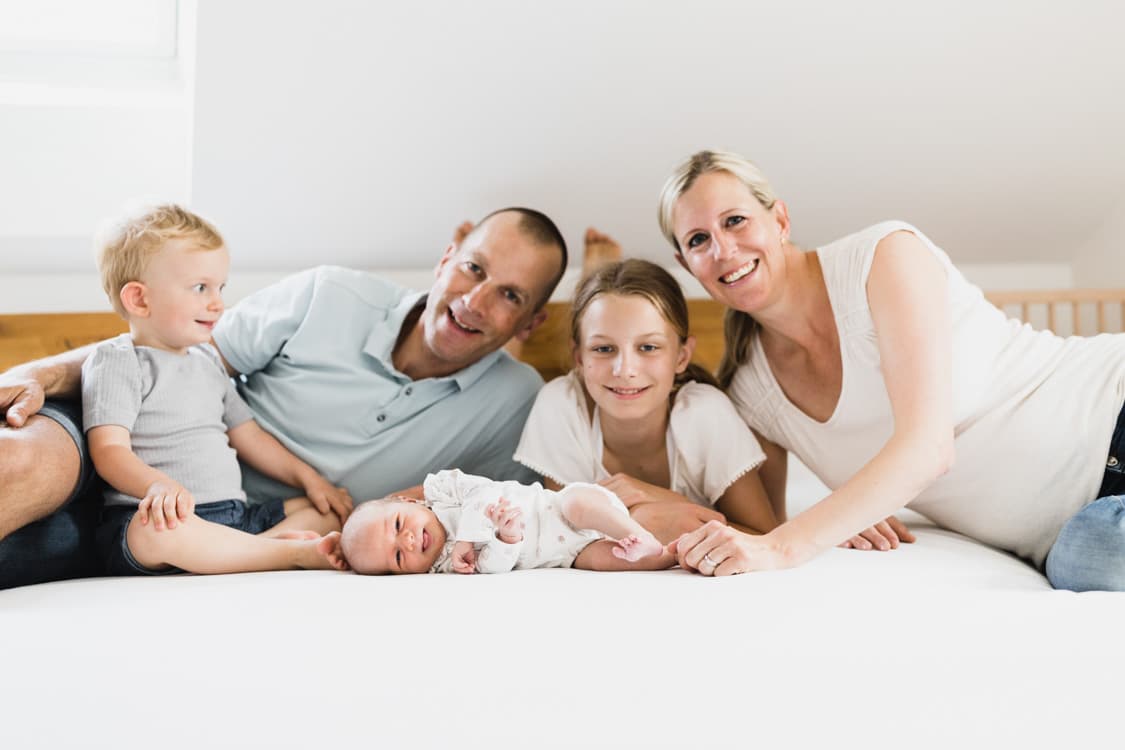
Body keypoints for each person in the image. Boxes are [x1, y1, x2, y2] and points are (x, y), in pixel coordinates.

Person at [0, 206, 569, 588]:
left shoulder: (516, 403)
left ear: (530, 321)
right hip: (128, 433)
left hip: (233, 523)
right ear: (448, 257)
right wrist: (48, 371)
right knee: (18, 460)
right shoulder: (329, 294)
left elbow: (543, 505)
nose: (476, 302)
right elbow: (174, 349)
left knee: (32, 555)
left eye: (510, 296)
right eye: (474, 269)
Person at [659, 149, 1125, 591]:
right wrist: (840, 514)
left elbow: (928, 449)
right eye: (699, 240)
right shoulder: (750, 390)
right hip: (1078, 533)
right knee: (1089, 560)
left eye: (735, 221)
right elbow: (758, 521)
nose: (723, 249)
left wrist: (788, 545)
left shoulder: (883, 257)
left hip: (1111, 411)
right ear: (685, 263)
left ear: (779, 219)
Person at [84, 204, 348, 576]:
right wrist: (157, 486)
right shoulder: (118, 361)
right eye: (200, 288)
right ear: (140, 299)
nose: (217, 303)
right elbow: (109, 450)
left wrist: (311, 479)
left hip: (232, 516)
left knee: (320, 510)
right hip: (162, 517)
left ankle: (249, 550)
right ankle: (286, 554)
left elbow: (249, 436)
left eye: (220, 287)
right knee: (155, 535)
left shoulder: (207, 361)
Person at [515, 257, 780, 544]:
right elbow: (559, 537)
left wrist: (669, 502)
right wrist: (639, 520)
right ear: (579, 357)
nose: (625, 370)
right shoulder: (563, 407)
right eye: (603, 348)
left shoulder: (705, 414)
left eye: (648, 347)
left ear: (681, 356)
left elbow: (766, 539)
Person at [319, 468, 673, 574]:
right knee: (602, 561)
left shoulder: (444, 492)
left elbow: (484, 494)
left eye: (398, 525)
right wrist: (507, 538)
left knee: (579, 502)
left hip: (561, 510)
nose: (408, 541)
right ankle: (666, 556)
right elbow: (494, 568)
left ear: (409, 501)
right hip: (573, 551)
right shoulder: (445, 566)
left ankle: (637, 533)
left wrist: (465, 540)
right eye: (398, 557)